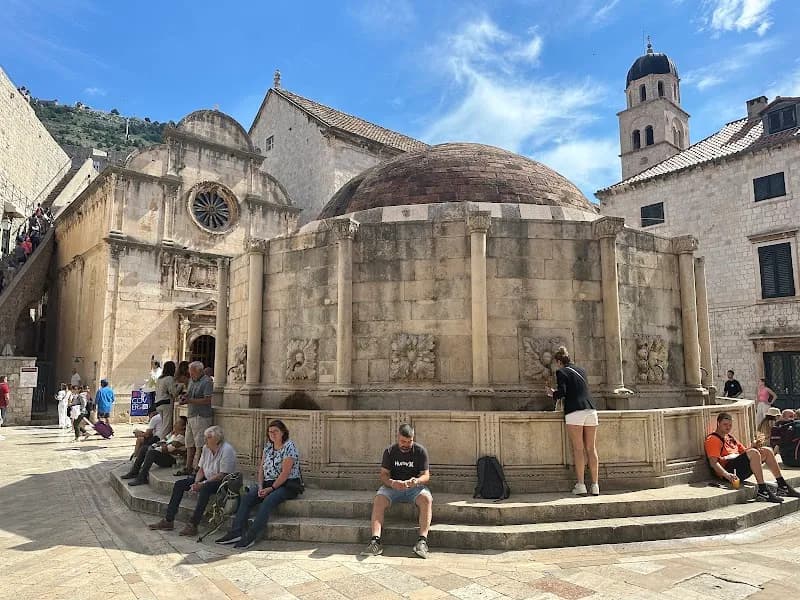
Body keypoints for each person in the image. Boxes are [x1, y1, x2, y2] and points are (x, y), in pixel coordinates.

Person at [215, 419, 302, 549]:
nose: (272, 434)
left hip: (287, 484)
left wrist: (270, 489)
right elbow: (261, 468)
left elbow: (285, 473)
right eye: (270, 432)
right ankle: (236, 532)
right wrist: (261, 486)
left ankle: (251, 536)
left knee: (268, 501)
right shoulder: (268, 446)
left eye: (276, 431)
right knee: (247, 497)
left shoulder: (289, 446)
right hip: (267, 483)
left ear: (283, 432)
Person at [148, 425, 236, 536]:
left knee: (205, 489)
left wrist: (202, 484)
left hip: (223, 481)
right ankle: (168, 520)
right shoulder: (206, 448)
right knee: (179, 484)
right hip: (208, 477)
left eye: (208, 437)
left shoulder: (227, 450)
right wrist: (196, 482)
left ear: (217, 439)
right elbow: (202, 469)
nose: (205, 440)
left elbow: (222, 474)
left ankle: (193, 524)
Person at [361, 423, 432, 559]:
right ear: (398, 438)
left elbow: (426, 475)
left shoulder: (420, 451)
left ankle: (422, 541)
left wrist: (416, 481)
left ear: (413, 439)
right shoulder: (389, 451)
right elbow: (383, 475)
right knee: (379, 499)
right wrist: (392, 483)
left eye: (409, 442)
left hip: (414, 487)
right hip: (392, 487)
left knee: (427, 499)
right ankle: (375, 541)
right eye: (403, 441)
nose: (406, 444)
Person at [705, 412, 799, 503]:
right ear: (718, 423)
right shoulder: (713, 439)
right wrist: (727, 475)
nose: (728, 427)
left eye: (730, 425)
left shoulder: (729, 437)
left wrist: (754, 445)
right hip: (729, 471)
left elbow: (745, 452)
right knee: (754, 452)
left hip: (738, 466)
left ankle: (783, 486)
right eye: (725, 424)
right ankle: (762, 490)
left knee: (767, 450)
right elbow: (713, 463)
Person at [546, 346, 600, 496]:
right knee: (591, 448)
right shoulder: (582, 370)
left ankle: (581, 485)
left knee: (578, 449)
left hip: (575, 411)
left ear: (558, 361)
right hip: (591, 410)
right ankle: (595, 485)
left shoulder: (561, 372)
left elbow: (563, 392)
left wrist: (552, 393)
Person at [175, 361, 213, 475]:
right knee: (189, 443)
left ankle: (198, 468)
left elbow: (207, 399)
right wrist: (184, 397)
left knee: (200, 444)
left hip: (201, 416)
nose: (190, 374)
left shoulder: (207, 382)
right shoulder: (192, 381)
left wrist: (190, 400)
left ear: (199, 371)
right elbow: (189, 393)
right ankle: (188, 467)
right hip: (191, 415)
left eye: (192, 372)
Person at [127, 416, 187, 486]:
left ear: (183, 427)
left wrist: (156, 447)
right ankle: (134, 471)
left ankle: (142, 477)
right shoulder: (173, 434)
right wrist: (154, 446)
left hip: (172, 460)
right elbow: (162, 441)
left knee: (151, 452)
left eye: (178, 423)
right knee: (144, 448)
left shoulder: (181, 437)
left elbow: (167, 449)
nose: (175, 424)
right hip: (166, 454)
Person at [153, 361, 177, 439]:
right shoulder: (169, 378)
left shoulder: (160, 378)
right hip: (166, 403)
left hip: (158, 403)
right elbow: (173, 392)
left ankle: (160, 439)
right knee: (167, 426)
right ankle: (160, 441)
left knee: (164, 424)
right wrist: (180, 386)